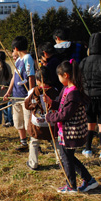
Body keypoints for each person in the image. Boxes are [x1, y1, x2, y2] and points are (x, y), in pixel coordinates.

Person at [45, 60, 99, 193]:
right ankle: (89, 180)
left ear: (65, 75)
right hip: (66, 131)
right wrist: (52, 103)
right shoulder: (67, 89)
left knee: (66, 159)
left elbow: (65, 114)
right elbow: (63, 107)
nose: (58, 78)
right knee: (68, 157)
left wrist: (49, 118)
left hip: (71, 132)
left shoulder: (73, 93)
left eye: (59, 76)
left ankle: (71, 185)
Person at [4, 36, 36, 151]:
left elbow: (31, 77)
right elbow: (14, 77)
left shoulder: (28, 58)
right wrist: (8, 92)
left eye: (13, 49)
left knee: (28, 121)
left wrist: (31, 94)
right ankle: (23, 142)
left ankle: (34, 144)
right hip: (16, 96)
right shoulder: (18, 61)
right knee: (18, 120)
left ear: (16, 48)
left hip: (25, 96)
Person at [24, 67, 60, 170]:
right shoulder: (55, 91)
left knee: (34, 141)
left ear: (38, 80)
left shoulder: (33, 91)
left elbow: (27, 105)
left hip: (38, 123)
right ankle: (60, 161)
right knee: (55, 140)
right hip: (51, 121)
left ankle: (33, 163)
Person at [79, 32, 101, 158]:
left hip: (88, 97)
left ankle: (88, 150)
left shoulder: (84, 61)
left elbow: (79, 79)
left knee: (90, 123)